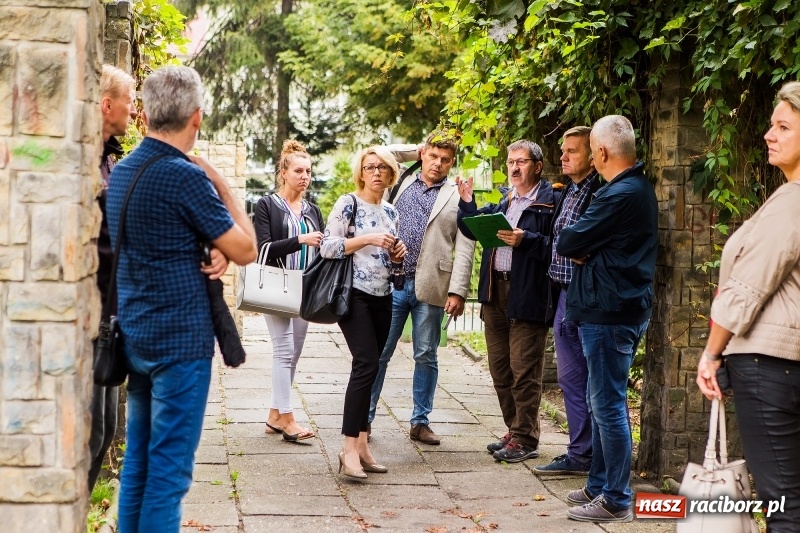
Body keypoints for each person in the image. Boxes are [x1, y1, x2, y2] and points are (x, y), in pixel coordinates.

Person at [106, 66, 256, 532]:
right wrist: (221, 182)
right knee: (168, 476)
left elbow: (163, 238)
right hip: (180, 345)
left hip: (135, 336)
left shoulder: (124, 170)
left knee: (138, 465)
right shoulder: (184, 177)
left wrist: (209, 248)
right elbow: (247, 248)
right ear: (197, 118)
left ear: (145, 113)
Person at [696, 82, 800, 532]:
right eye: (771, 125)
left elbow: (746, 288)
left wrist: (711, 352)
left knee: (783, 505)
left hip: (767, 364)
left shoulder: (792, 202)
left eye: (783, 126)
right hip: (785, 363)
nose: (768, 135)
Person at [556, 115, 657, 523]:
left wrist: (585, 248)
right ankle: (599, 485)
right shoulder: (627, 189)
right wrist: (587, 248)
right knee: (602, 404)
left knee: (609, 405)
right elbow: (579, 244)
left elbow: (569, 240)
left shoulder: (620, 194)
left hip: (611, 312)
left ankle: (616, 497)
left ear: (600, 152)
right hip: (608, 307)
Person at [368, 131, 475, 446]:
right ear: (424, 155)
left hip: (431, 285)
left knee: (426, 354)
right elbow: (379, 152)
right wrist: (413, 151)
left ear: (452, 162)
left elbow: (466, 246)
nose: (438, 164)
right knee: (379, 352)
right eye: (432, 157)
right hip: (391, 283)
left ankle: (420, 422)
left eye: (445, 160)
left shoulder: (457, 195)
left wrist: (458, 291)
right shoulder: (399, 181)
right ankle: (365, 418)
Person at [456, 140, 556, 463]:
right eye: (511, 162)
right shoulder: (505, 200)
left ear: (537, 166)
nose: (514, 167)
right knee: (500, 369)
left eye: (521, 162)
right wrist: (467, 204)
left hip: (528, 292)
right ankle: (514, 430)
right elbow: (470, 229)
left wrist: (525, 240)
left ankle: (526, 438)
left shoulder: (549, 202)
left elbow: (558, 247)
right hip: (494, 293)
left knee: (524, 370)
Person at [320, 146, 406, 479]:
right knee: (365, 362)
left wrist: (397, 255)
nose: (376, 172)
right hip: (352, 294)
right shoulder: (348, 203)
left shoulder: (391, 211)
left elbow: (391, 262)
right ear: (361, 171)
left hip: (383, 296)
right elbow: (328, 246)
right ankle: (348, 448)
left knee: (372, 368)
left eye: (383, 167)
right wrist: (366, 238)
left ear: (391, 173)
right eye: (370, 167)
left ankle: (364, 445)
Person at [534, 126, 602, 476]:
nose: (562, 157)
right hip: (563, 295)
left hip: (586, 298)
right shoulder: (570, 191)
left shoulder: (599, 194)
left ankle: (591, 456)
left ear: (593, 156)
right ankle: (580, 452)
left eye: (571, 151)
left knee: (589, 380)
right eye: (562, 150)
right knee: (571, 378)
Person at [89, 64, 138, 492]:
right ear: (107, 105)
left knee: (105, 432)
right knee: (89, 434)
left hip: (112, 312)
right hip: (89, 314)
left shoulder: (110, 159)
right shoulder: (84, 163)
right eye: (129, 99)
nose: (134, 109)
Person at [254, 140, 324, 443]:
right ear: (284, 172)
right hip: (277, 285)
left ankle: (274, 415)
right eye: (298, 170)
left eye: (308, 171)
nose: (304, 176)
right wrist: (301, 240)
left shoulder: (313, 210)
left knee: (292, 354)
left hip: (305, 287)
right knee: (283, 350)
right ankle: (289, 419)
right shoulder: (267, 205)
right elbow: (264, 248)